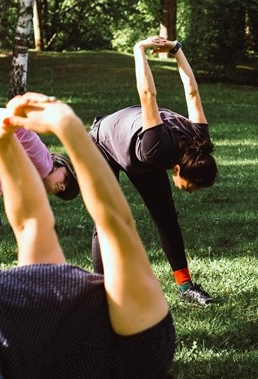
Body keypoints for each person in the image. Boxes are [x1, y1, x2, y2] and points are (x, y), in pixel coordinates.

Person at [0, 92, 175, 378]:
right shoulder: (135, 354)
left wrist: (69, 127)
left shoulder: (144, 348)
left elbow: (114, 223)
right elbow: (30, 223)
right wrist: (6, 139)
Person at [89, 36, 218, 305]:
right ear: (178, 168)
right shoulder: (157, 148)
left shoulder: (198, 139)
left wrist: (177, 49)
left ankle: (186, 288)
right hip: (103, 141)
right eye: (192, 185)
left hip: (136, 149)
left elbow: (193, 92)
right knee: (106, 218)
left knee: (167, 218)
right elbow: (148, 94)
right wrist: (139, 49)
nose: (191, 192)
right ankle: (98, 294)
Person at [0, 124, 79, 200]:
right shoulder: (44, 166)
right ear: (58, 165)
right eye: (65, 178)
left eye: (61, 192)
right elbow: (19, 126)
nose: (62, 187)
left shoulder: (31, 181)